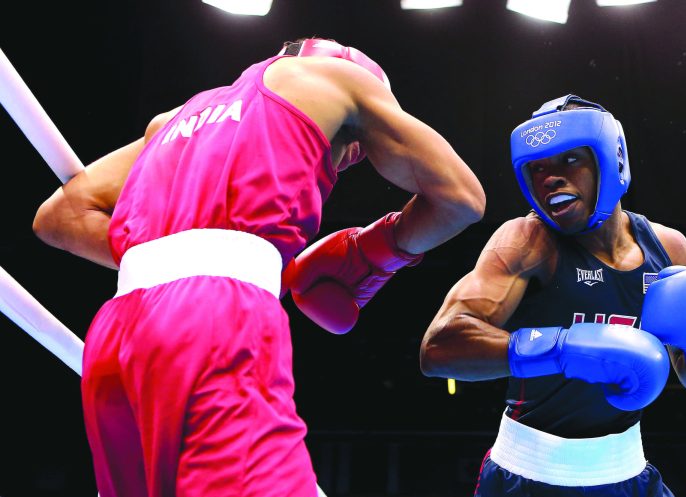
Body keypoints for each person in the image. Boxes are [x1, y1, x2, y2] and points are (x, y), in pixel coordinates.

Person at [32, 37, 486, 497]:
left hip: (116, 334)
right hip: (214, 321)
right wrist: (373, 250)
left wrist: (250, 264)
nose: (351, 156)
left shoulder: (171, 122)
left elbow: (60, 218)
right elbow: (461, 199)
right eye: (354, 142)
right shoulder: (338, 78)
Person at [420, 94, 686, 496]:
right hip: (528, 478)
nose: (550, 177)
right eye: (537, 167)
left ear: (612, 159)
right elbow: (438, 348)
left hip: (629, 474)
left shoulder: (668, 249)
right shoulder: (527, 242)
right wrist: (561, 348)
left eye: (570, 159)